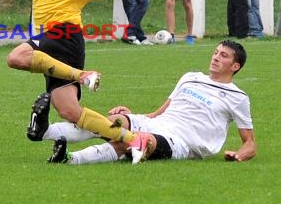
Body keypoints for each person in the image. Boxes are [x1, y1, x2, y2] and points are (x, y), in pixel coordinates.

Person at [0, 0, 160, 163]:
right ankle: (135, 140)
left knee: (16, 57)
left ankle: (82, 75)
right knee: (70, 111)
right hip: (51, 45)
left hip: (64, 36)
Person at [47, 40, 256, 165]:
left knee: (137, 140)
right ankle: (45, 131)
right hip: (157, 124)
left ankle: (70, 158)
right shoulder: (191, 77)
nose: (216, 57)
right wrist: (135, 115)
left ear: (235, 66)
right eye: (216, 52)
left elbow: (250, 143)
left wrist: (239, 155)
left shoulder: (238, 97)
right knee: (116, 120)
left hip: (182, 141)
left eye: (224, 56)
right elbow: (160, 112)